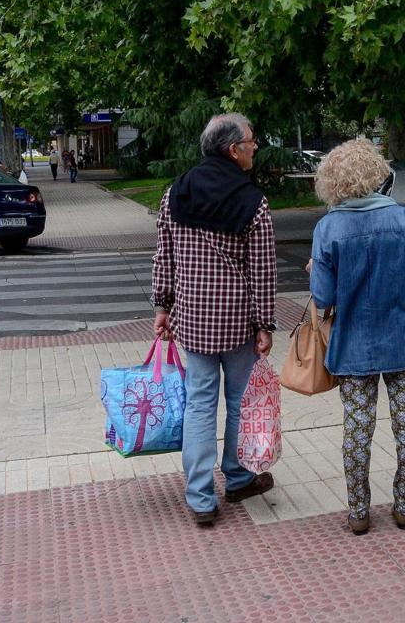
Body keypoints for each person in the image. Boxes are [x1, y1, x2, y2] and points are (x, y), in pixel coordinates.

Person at [308, 139, 405, 535]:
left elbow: (322, 297)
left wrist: (316, 270)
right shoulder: (404, 221)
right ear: (376, 174)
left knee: (357, 429)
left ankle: (358, 513)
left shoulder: (328, 228)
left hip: (352, 347)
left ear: (332, 182)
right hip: (404, 343)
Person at [152, 112, 278, 525]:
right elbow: (262, 269)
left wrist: (162, 306)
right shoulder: (253, 203)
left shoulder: (176, 193)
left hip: (193, 321)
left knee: (200, 405)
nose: (255, 146)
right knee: (240, 402)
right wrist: (264, 324)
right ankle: (239, 478)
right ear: (233, 149)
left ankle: (201, 498)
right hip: (238, 322)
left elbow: (164, 256)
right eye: (251, 140)